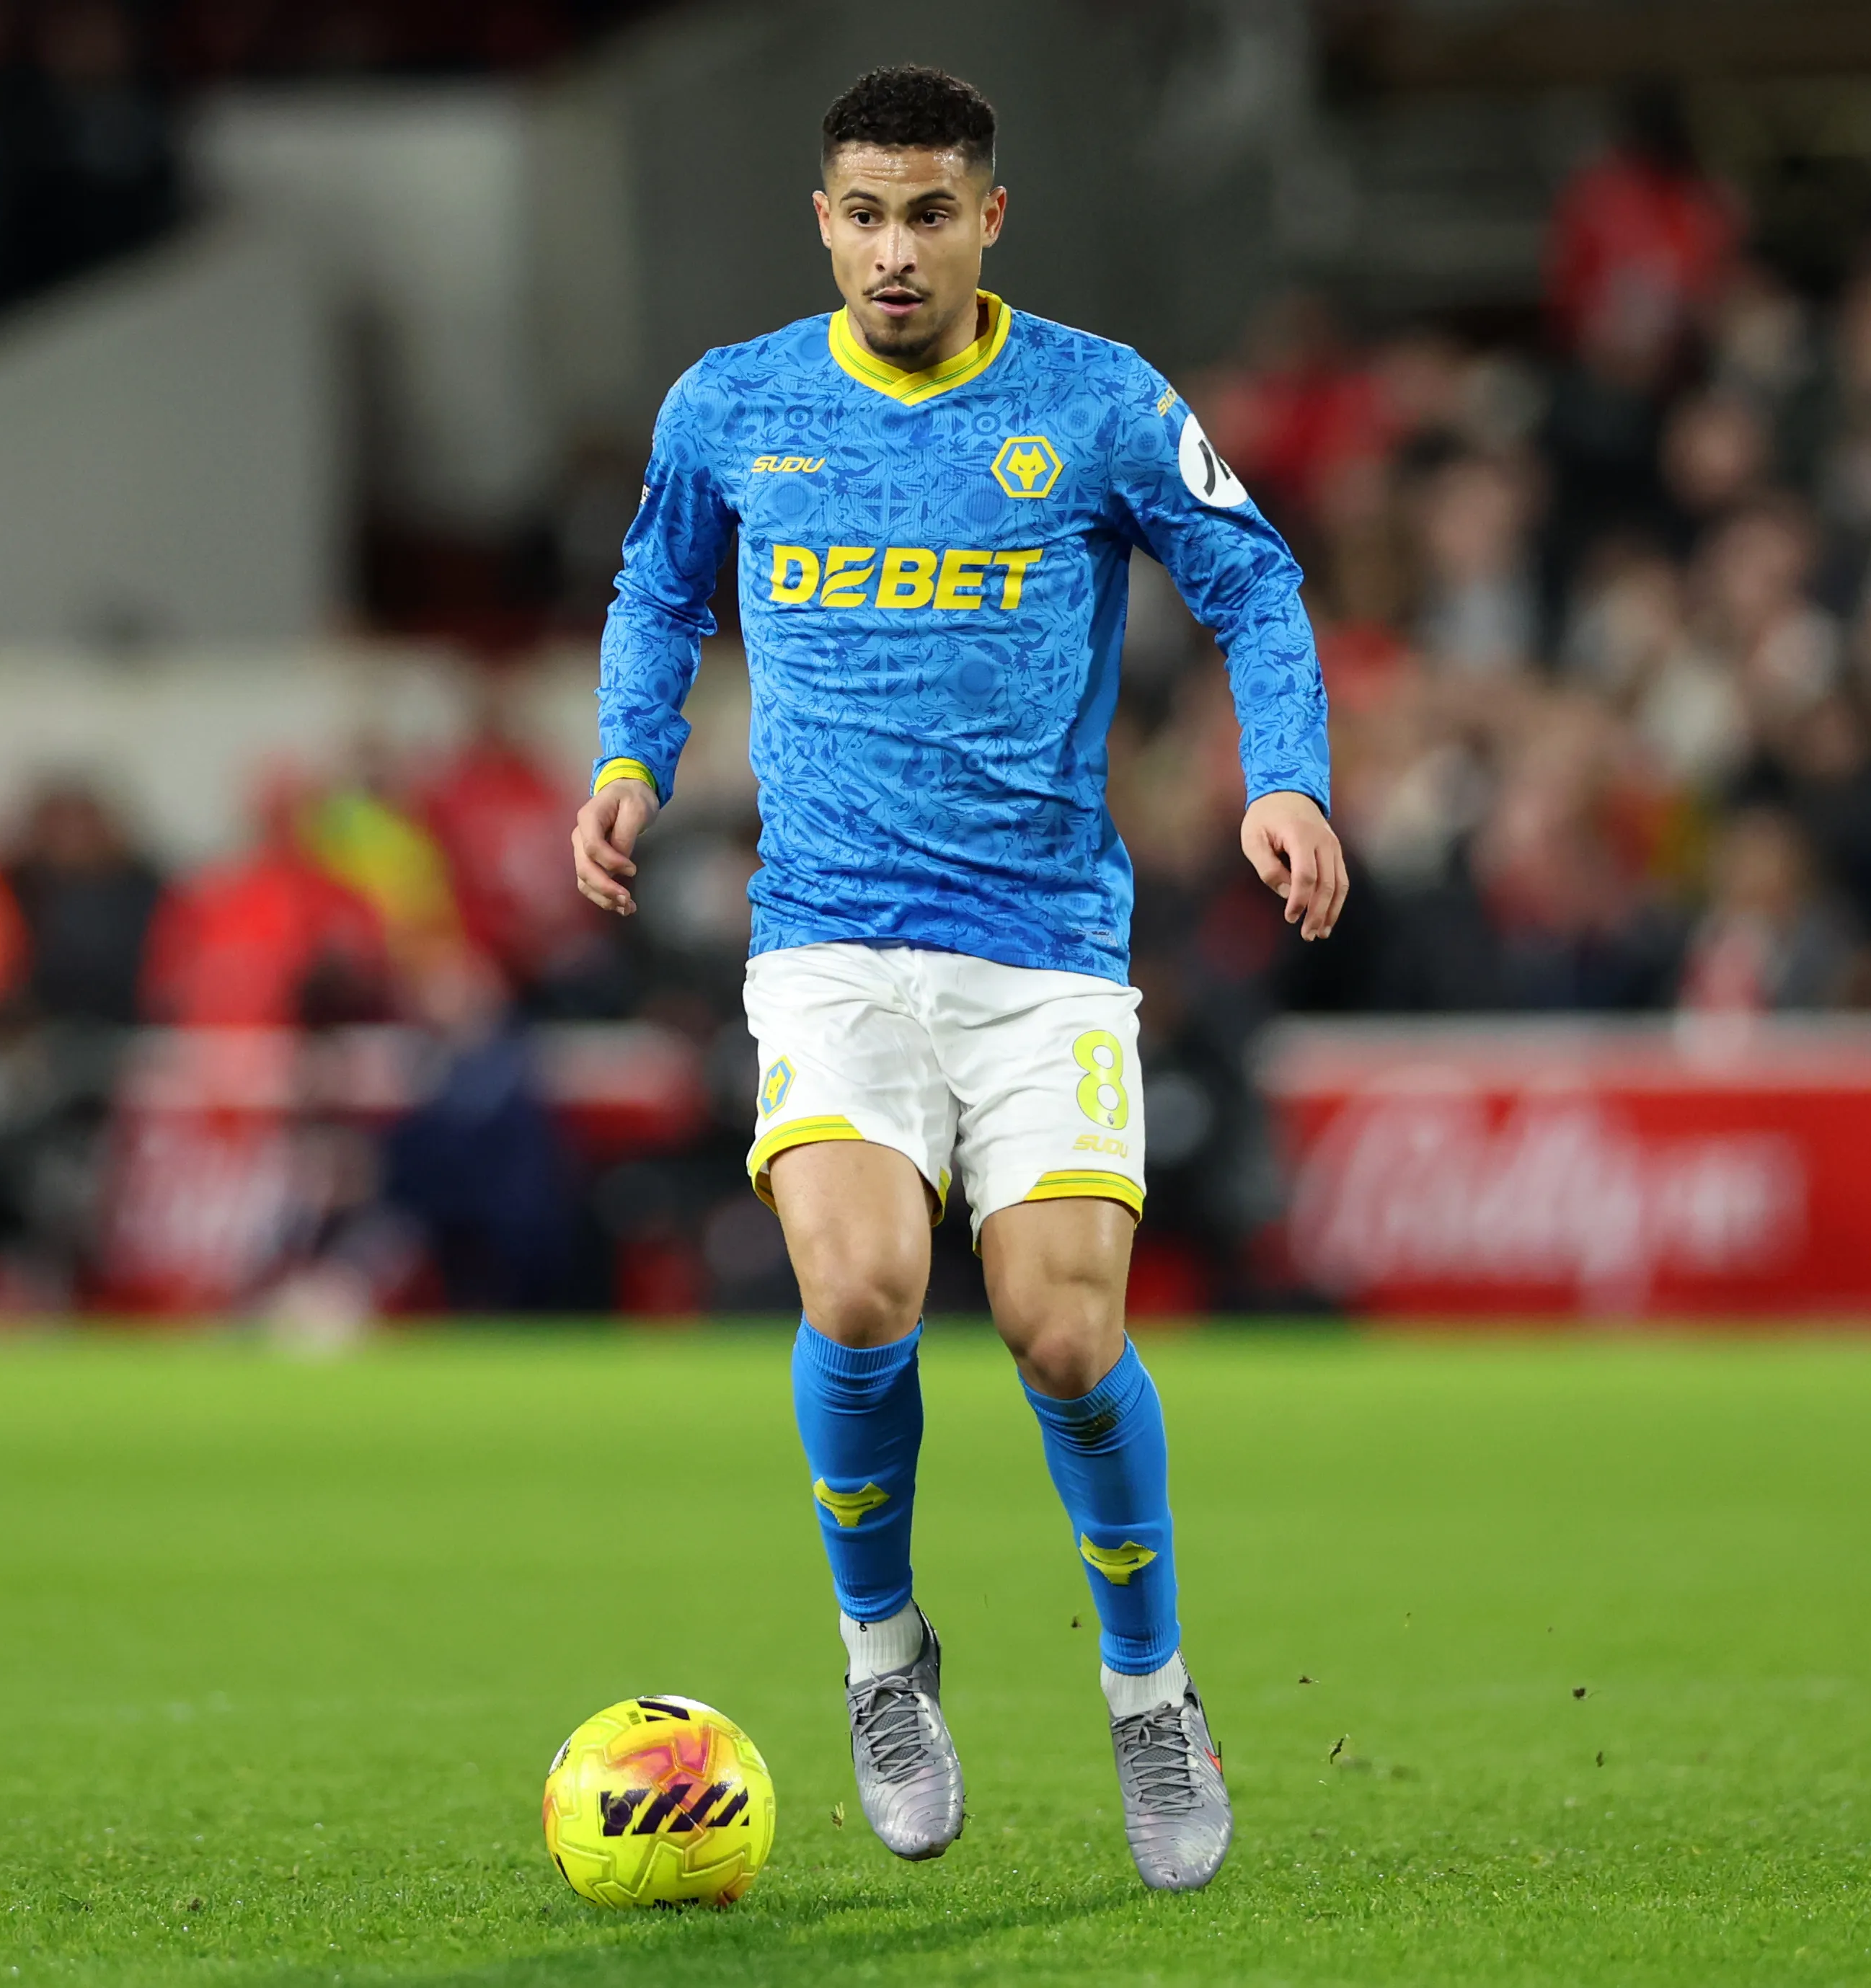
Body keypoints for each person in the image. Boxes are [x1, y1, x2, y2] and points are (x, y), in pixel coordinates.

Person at [569, 66, 1345, 1894]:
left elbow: (1247, 574)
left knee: (1062, 1336)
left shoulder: (1092, 398)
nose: (894, 247)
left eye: (930, 212)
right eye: (864, 212)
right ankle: (879, 1657)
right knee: (855, 1292)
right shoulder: (733, 405)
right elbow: (655, 589)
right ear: (819, 219)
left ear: (987, 219)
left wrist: (1287, 772)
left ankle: (1146, 1689)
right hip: (825, 935)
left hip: (1041, 951)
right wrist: (627, 758)